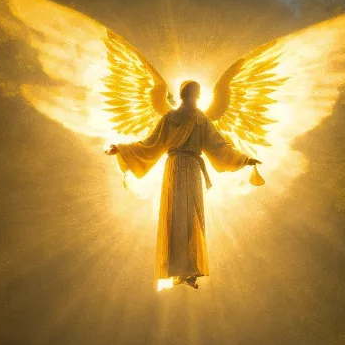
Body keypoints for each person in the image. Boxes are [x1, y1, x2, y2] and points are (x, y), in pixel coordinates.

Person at [106, 81, 260, 289]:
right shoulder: (169, 118)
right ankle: (177, 268)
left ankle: (189, 270)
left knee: (192, 215)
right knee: (175, 215)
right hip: (175, 167)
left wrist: (244, 159)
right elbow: (150, 143)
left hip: (191, 167)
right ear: (185, 94)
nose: (195, 97)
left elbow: (219, 146)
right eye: (194, 93)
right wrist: (122, 148)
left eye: (197, 93)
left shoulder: (201, 120)